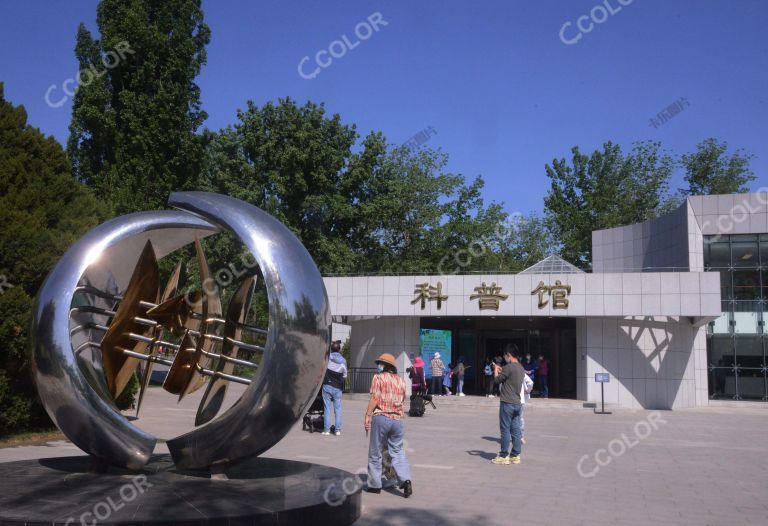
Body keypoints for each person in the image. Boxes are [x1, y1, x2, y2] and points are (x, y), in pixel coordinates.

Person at [364, 353, 413, 498]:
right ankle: (405, 480)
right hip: (397, 420)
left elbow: (375, 397)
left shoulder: (378, 378)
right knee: (397, 452)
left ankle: (374, 485)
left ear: (384, 365)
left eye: (380, 363)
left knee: (375, 451)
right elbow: (403, 398)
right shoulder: (401, 381)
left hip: (381, 417)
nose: (378, 366)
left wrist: (367, 415)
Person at [491, 347, 526, 465]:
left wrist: (496, 369)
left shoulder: (508, 367)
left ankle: (503, 455)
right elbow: (510, 375)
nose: (505, 357)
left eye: (505, 355)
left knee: (505, 429)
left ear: (509, 354)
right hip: (517, 403)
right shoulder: (521, 368)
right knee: (516, 430)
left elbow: (497, 381)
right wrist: (502, 369)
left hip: (507, 402)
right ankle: (515, 456)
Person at [322, 341, 347, 436]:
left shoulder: (328, 358)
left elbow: (323, 368)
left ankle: (326, 430)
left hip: (327, 386)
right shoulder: (343, 361)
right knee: (338, 409)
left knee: (327, 408)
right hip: (338, 388)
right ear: (339, 349)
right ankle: (337, 430)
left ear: (331, 349)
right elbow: (344, 376)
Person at [520, 371, 533, 445]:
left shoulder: (508, 372)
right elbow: (530, 383)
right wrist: (527, 391)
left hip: (510, 399)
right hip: (520, 399)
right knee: (520, 418)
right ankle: (521, 436)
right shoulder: (522, 373)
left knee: (510, 419)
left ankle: (513, 436)